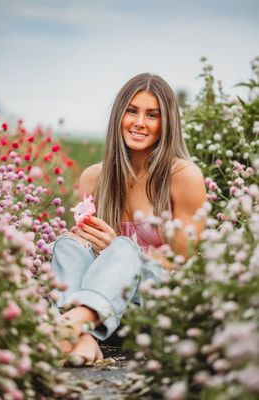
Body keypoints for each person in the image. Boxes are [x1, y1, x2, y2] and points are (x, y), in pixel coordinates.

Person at [51, 73, 207, 364]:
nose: (139, 122)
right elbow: (85, 259)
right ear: (119, 116)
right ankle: (84, 339)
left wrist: (120, 248)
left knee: (123, 247)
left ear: (166, 124)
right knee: (67, 245)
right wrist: (91, 245)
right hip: (111, 308)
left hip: (158, 306)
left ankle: (68, 326)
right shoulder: (94, 178)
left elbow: (185, 265)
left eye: (152, 115)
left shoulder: (183, 176)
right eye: (132, 111)